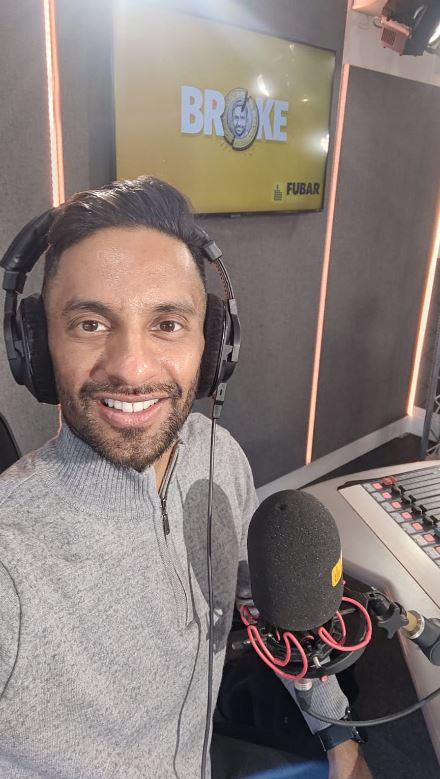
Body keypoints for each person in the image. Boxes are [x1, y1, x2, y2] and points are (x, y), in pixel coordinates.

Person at [0, 176, 373, 778]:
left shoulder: (219, 458)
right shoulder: (11, 563)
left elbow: (273, 611)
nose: (132, 368)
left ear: (214, 346)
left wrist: (338, 734)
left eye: (167, 324)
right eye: (90, 323)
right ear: (37, 348)